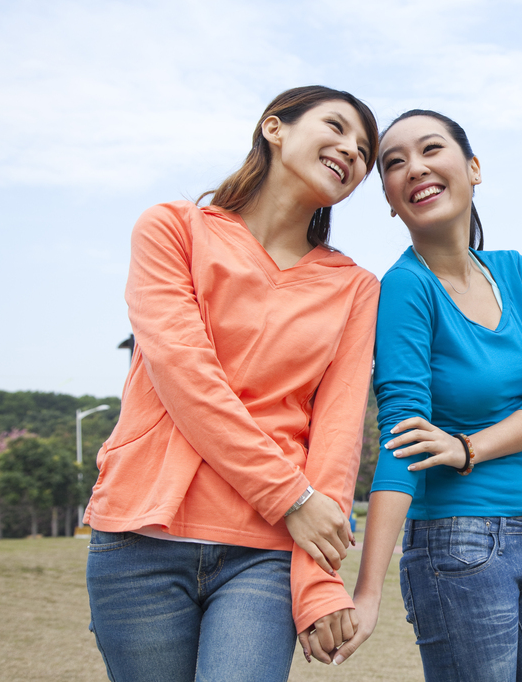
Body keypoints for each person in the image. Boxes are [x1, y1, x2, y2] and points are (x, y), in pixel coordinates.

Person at [84, 86, 380, 682]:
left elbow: (338, 433)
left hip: (265, 553)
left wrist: (320, 579)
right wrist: (290, 497)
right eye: (338, 127)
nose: (353, 151)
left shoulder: (356, 288)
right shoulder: (173, 230)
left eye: (365, 151)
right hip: (142, 540)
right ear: (274, 128)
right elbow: (184, 377)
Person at [338, 110, 522, 681]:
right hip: (457, 549)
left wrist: (468, 447)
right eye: (394, 162)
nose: (415, 168)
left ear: (473, 168)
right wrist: (368, 591)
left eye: (431, 149)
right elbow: (403, 437)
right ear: (388, 197)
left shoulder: (515, 271)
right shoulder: (405, 287)